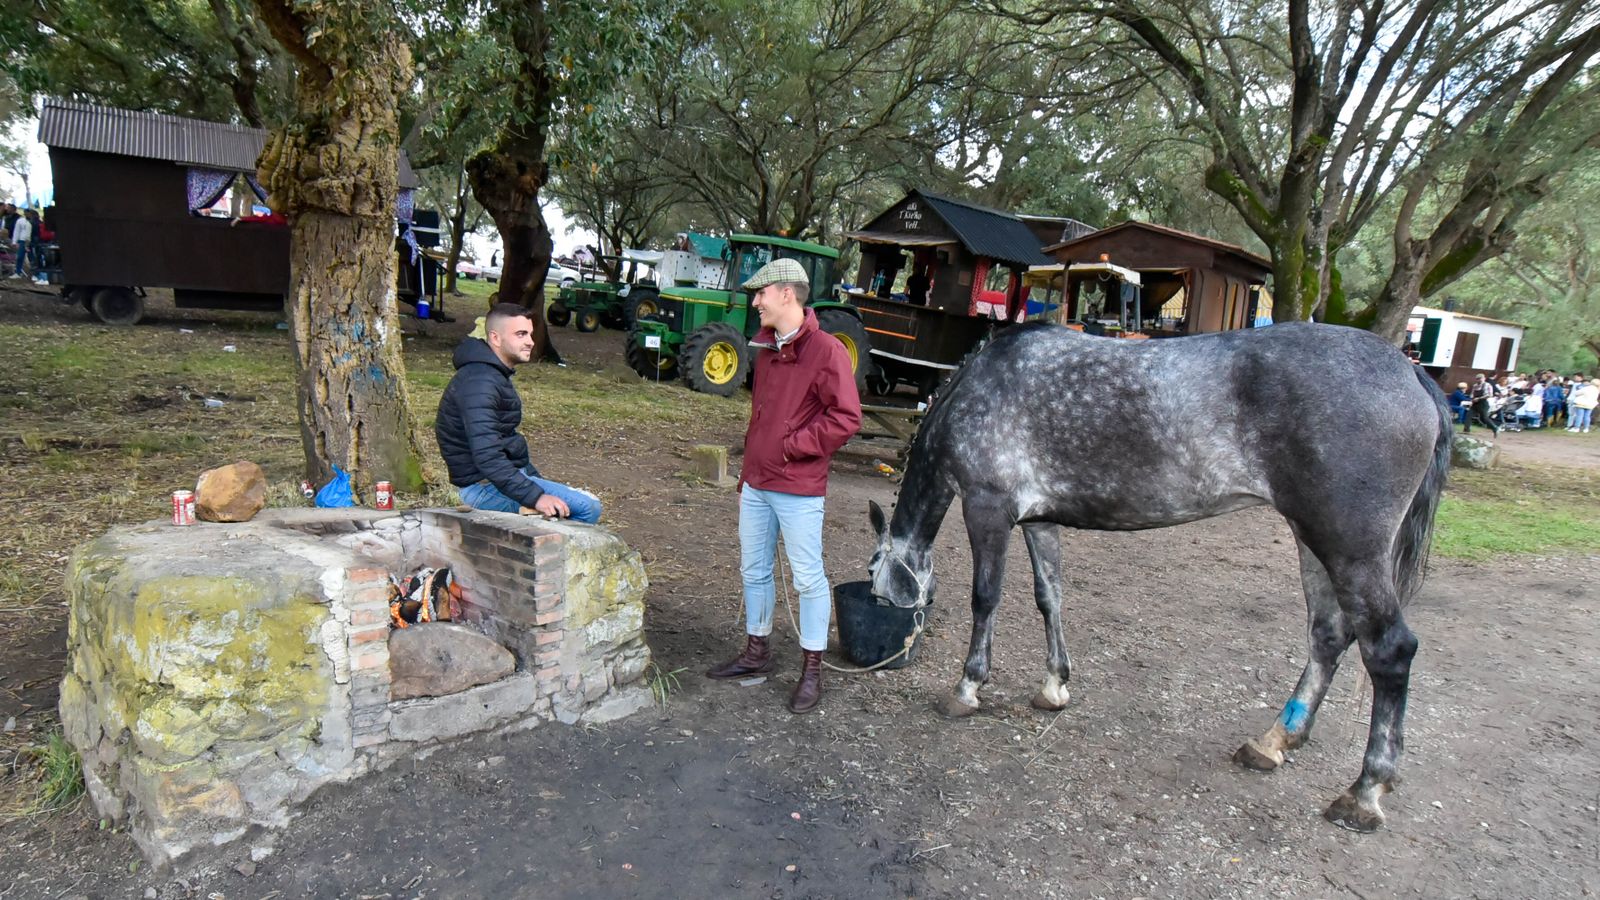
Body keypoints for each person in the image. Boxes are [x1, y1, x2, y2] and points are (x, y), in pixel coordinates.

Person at [706, 258, 862, 714]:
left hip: (797, 486)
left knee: (808, 577)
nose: (756, 301)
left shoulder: (827, 350)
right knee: (753, 569)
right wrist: (751, 468)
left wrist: (794, 447)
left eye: (761, 293)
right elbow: (763, 418)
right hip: (757, 482)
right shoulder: (767, 349)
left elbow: (846, 417)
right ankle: (757, 651)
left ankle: (812, 669)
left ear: (786, 294)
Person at [435, 303, 602, 522]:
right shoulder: (480, 382)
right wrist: (536, 497)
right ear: (495, 338)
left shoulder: (491, 374)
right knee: (587, 508)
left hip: (497, 480)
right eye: (521, 334)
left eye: (530, 334)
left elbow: (507, 442)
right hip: (482, 488)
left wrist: (537, 484)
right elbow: (487, 456)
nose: (530, 341)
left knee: (574, 504)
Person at [10, 208, 32, 278]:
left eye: (29, 213)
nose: (27, 214)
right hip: (23, 240)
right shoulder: (20, 221)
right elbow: (16, 231)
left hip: (31, 241)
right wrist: (14, 241)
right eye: (26, 213)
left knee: (32, 258)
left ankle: (35, 273)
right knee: (20, 257)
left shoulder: (32, 222)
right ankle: (18, 272)